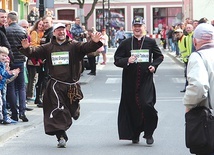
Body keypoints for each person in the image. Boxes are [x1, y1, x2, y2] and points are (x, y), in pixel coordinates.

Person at [20, 23, 103, 148]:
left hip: (71, 85)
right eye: (58, 30)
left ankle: (74, 110)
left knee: (72, 110)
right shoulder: (48, 47)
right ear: (54, 33)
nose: (61, 32)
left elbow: (86, 47)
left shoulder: (74, 45)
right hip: (55, 85)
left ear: (66, 32)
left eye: (63, 30)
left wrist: (94, 42)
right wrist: (26, 48)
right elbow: (34, 52)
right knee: (58, 109)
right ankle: (61, 136)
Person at [114, 16, 164, 145]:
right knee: (132, 107)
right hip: (129, 81)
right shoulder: (125, 43)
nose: (137, 28)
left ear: (144, 27)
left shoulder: (150, 42)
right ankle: (135, 134)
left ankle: (149, 133)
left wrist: (154, 65)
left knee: (147, 105)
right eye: (135, 26)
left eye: (139, 26)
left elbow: (159, 56)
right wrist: (127, 60)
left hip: (145, 80)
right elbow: (117, 60)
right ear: (132, 28)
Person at [183, 23, 214, 155]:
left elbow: (199, 86)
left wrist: (189, 104)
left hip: (209, 118)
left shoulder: (198, 56)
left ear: (195, 41)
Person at [6, 11, 29, 122]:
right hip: (20, 60)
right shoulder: (23, 31)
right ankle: (22, 111)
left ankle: (14, 113)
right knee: (21, 87)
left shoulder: (6, 30)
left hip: (10, 61)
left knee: (11, 86)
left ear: (9, 19)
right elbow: (26, 46)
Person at [35, 15, 53, 107]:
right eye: (44, 22)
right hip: (43, 61)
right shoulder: (46, 33)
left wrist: (44, 59)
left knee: (46, 79)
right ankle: (39, 98)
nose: (45, 24)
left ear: (51, 23)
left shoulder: (51, 33)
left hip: (48, 61)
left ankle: (46, 100)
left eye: (47, 22)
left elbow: (50, 48)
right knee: (42, 79)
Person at [0, 46, 20, 124]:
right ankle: (3, 117)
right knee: (1, 102)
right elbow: (2, 75)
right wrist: (11, 73)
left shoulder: (3, 64)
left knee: (3, 101)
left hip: (1, 86)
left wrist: (11, 73)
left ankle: (4, 116)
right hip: (1, 86)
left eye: (6, 56)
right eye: (3, 55)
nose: (5, 57)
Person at [26, 19, 44, 101]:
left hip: (37, 57)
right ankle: (30, 94)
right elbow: (33, 44)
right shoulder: (34, 32)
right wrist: (40, 46)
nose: (41, 26)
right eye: (39, 24)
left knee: (35, 77)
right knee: (32, 77)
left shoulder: (41, 33)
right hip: (33, 58)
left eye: (42, 25)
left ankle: (32, 94)